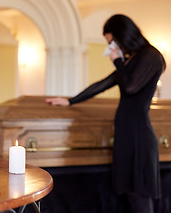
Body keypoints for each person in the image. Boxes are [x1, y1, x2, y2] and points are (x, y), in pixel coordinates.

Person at [45, 14, 166, 213]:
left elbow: (131, 87)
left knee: (139, 195)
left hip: (139, 137)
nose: (112, 47)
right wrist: (70, 100)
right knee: (130, 194)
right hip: (126, 135)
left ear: (123, 36)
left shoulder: (151, 56)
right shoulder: (131, 60)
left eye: (112, 42)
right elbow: (103, 84)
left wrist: (117, 61)